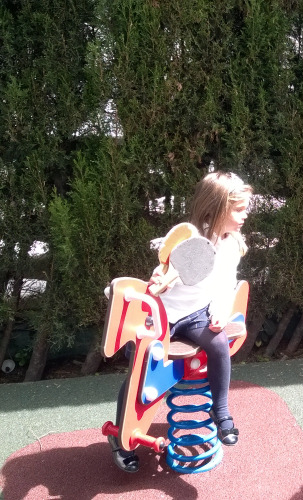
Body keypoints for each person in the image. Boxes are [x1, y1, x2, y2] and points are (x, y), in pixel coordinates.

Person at [109, 171, 253, 472]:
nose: (245, 215)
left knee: (218, 344)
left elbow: (225, 285)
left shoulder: (230, 246)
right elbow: (167, 275)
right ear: (217, 209)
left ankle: (221, 410)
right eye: (239, 209)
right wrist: (161, 280)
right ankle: (122, 436)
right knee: (141, 372)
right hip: (164, 316)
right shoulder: (191, 239)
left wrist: (221, 309)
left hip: (196, 314)